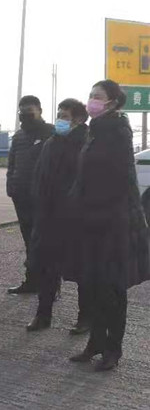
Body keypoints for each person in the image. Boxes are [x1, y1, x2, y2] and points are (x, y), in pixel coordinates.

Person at [69, 80, 149, 371]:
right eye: (90, 95)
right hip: (91, 220)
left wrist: (100, 209)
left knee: (112, 288)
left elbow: (120, 179)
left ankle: (113, 349)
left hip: (112, 222)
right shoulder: (96, 131)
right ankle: (96, 342)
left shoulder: (117, 131)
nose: (91, 100)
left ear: (113, 102)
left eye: (97, 96)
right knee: (93, 284)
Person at [26, 99, 91, 333]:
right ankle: (43, 315)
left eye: (65, 116)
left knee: (82, 270)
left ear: (79, 119)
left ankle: (85, 317)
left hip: (75, 218)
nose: (60, 120)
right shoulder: (51, 142)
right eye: (59, 115)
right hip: (48, 216)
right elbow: (40, 176)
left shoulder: (87, 144)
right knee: (46, 267)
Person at [6, 96, 54, 294]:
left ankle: (50, 286)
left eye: (29, 111)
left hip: (43, 197)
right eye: (22, 112)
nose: (25, 115)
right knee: (29, 241)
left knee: (45, 242)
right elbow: (12, 164)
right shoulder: (18, 136)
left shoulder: (51, 132)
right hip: (21, 196)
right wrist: (11, 186)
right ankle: (32, 281)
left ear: (40, 111)